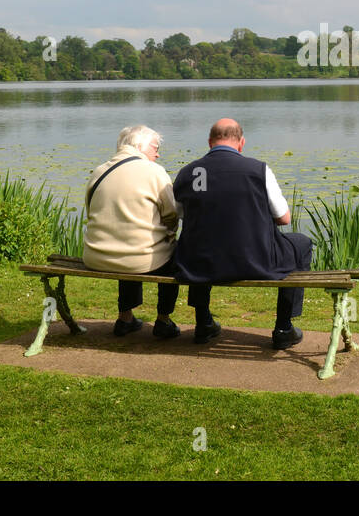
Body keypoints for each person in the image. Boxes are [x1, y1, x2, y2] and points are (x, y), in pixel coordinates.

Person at [172, 118, 312, 349]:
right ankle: (284, 327)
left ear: (209, 142)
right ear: (241, 142)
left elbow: (178, 214)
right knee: (302, 243)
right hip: (254, 260)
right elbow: (284, 218)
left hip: (198, 261)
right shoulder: (258, 170)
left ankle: (203, 322)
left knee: (202, 240)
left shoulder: (188, 172)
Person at [82, 125, 182, 339]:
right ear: (140, 147)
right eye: (155, 147)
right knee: (173, 253)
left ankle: (125, 317)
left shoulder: (99, 171)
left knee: (128, 241)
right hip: (139, 260)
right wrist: (169, 235)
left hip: (96, 257)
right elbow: (172, 214)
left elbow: (90, 212)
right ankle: (163, 320)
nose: (158, 153)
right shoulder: (155, 172)